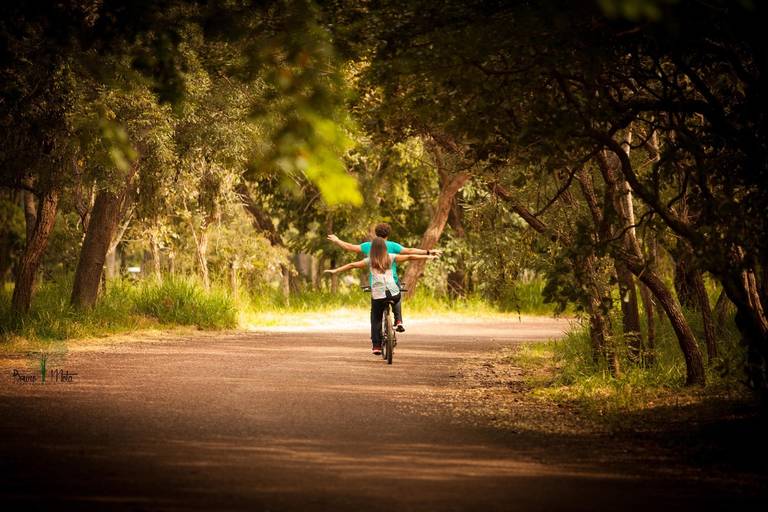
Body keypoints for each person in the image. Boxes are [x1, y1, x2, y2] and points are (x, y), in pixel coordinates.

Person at [324, 236, 438, 355]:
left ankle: (377, 346)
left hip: (378, 295)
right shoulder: (391, 257)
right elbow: (410, 256)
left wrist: (335, 271)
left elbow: (352, 265)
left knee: (375, 317)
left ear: (372, 249)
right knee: (397, 297)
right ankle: (398, 320)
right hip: (393, 293)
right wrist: (428, 256)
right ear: (385, 248)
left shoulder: (369, 261)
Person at [327, 222, 441, 332]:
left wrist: (337, 240)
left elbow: (349, 248)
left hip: (376, 284)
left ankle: (376, 339)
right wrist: (428, 252)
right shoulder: (393, 246)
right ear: (388, 234)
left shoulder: (369, 246)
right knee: (397, 295)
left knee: (376, 311)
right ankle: (399, 321)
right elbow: (410, 252)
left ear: (376, 233)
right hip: (392, 281)